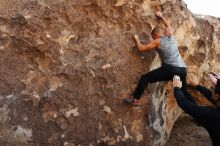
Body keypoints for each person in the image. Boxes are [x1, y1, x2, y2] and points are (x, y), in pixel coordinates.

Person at [124, 11, 195, 105]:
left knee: (144, 78)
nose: (153, 39)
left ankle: (135, 100)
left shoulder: (157, 41)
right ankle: (197, 107)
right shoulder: (171, 36)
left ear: (156, 36)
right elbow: (168, 24)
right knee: (184, 91)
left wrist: (137, 39)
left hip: (171, 69)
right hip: (183, 69)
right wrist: (161, 17)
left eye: (153, 37)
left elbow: (141, 48)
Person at [173, 73, 220, 146]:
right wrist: (197, 86)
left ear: (217, 96)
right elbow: (213, 97)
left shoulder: (212, 115)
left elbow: (184, 103)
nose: (211, 89)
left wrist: (177, 88)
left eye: (212, 88)